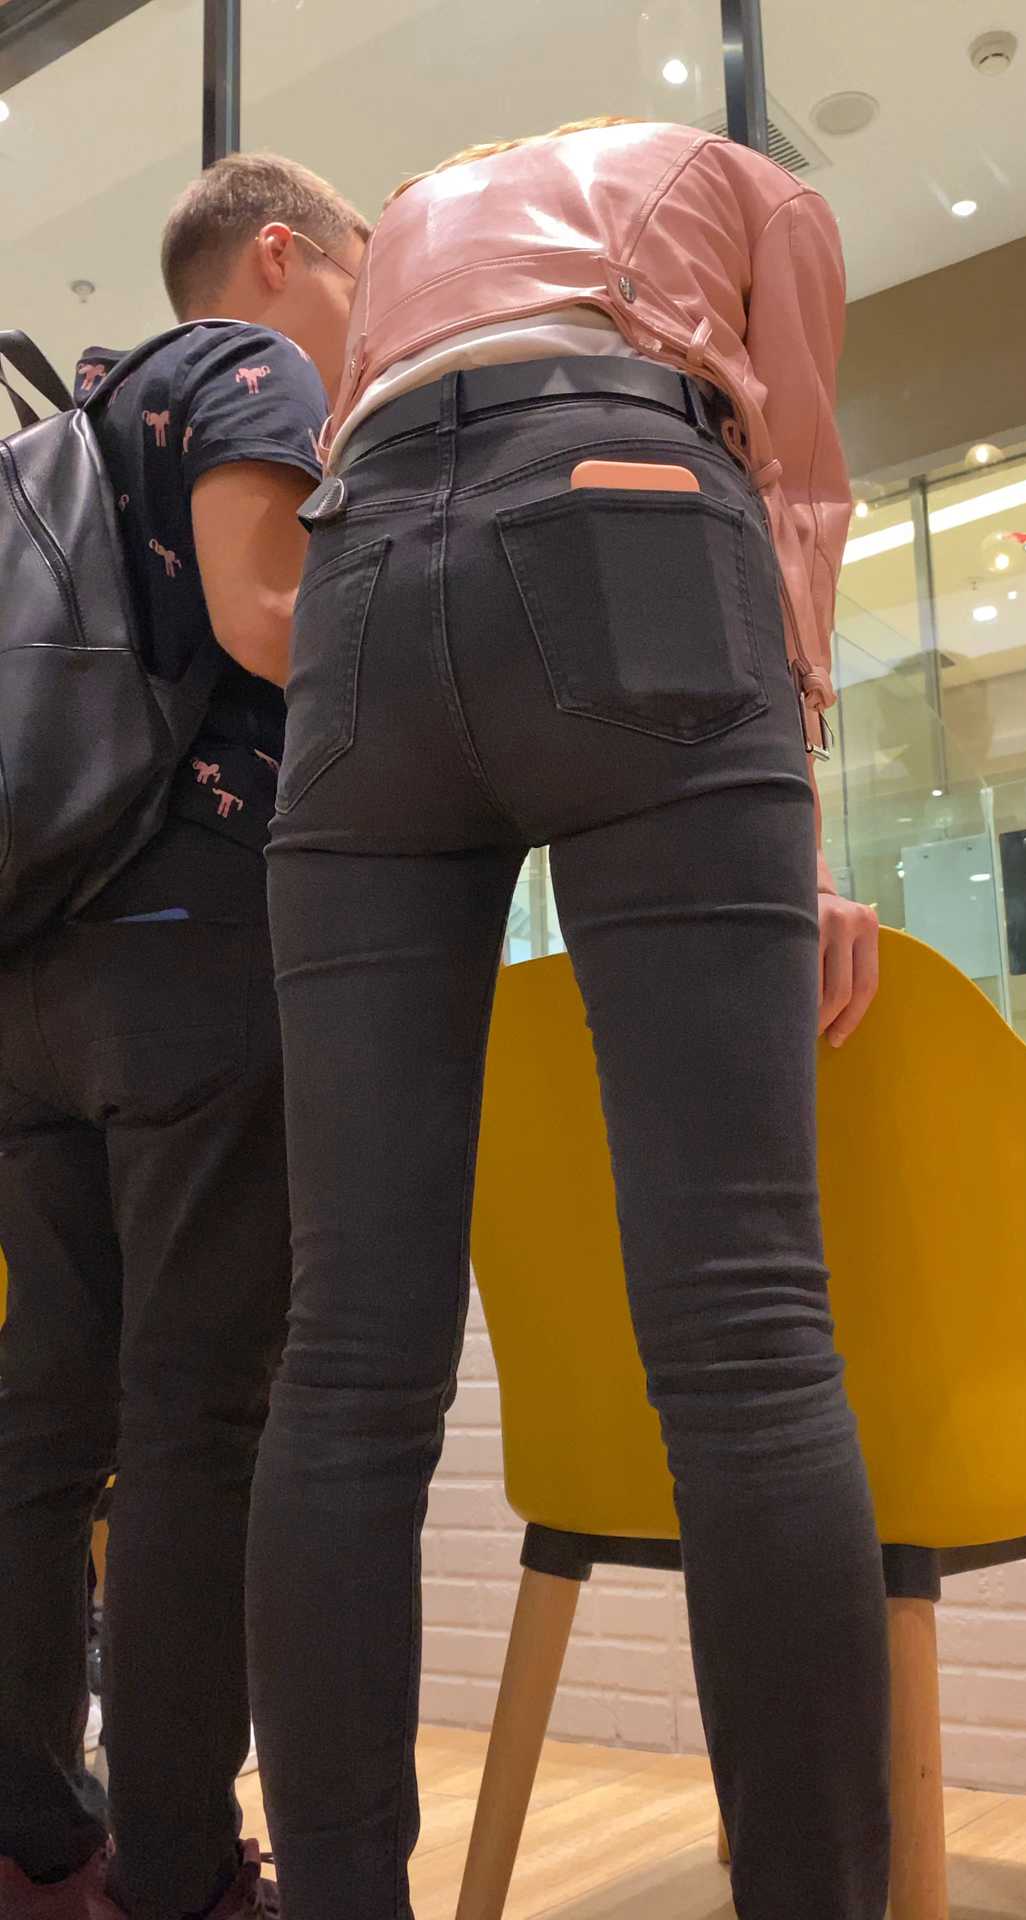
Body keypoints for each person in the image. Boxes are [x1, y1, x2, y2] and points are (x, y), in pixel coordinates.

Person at [247, 117, 887, 1920]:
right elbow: (799, 482)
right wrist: (791, 813)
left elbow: (362, 439)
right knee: (743, 1329)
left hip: (363, 578)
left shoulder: (413, 217)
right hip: (632, 509)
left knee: (346, 1354)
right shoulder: (750, 183)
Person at [0, 154, 368, 1920]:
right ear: (280, 252)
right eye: (359, 271)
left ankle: (30, 1839)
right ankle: (175, 1866)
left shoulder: (67, 432)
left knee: (42, 1419)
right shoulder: (251, 364)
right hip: (189, 945)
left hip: (29, 968)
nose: (367, 315)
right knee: (193, 1418)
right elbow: (266, 617)